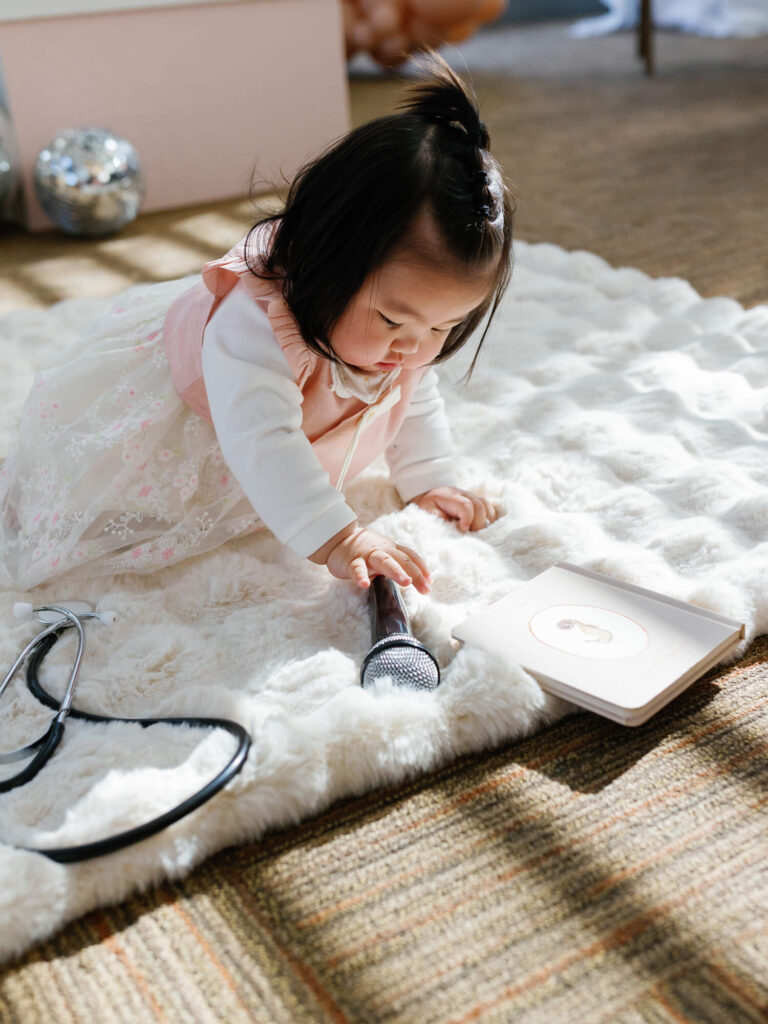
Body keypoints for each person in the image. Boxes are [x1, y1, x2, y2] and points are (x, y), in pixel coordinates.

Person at [0, 54, 514, 594]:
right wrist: (339, 539)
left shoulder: (403, 337)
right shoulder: (252, 324)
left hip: (263, 430)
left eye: (445, 326)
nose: (413, 347)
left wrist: (430, 479)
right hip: (186, 431)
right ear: (324, 258)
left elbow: (413, 396)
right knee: (93, 508)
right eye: (391, 319)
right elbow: (263, 441)